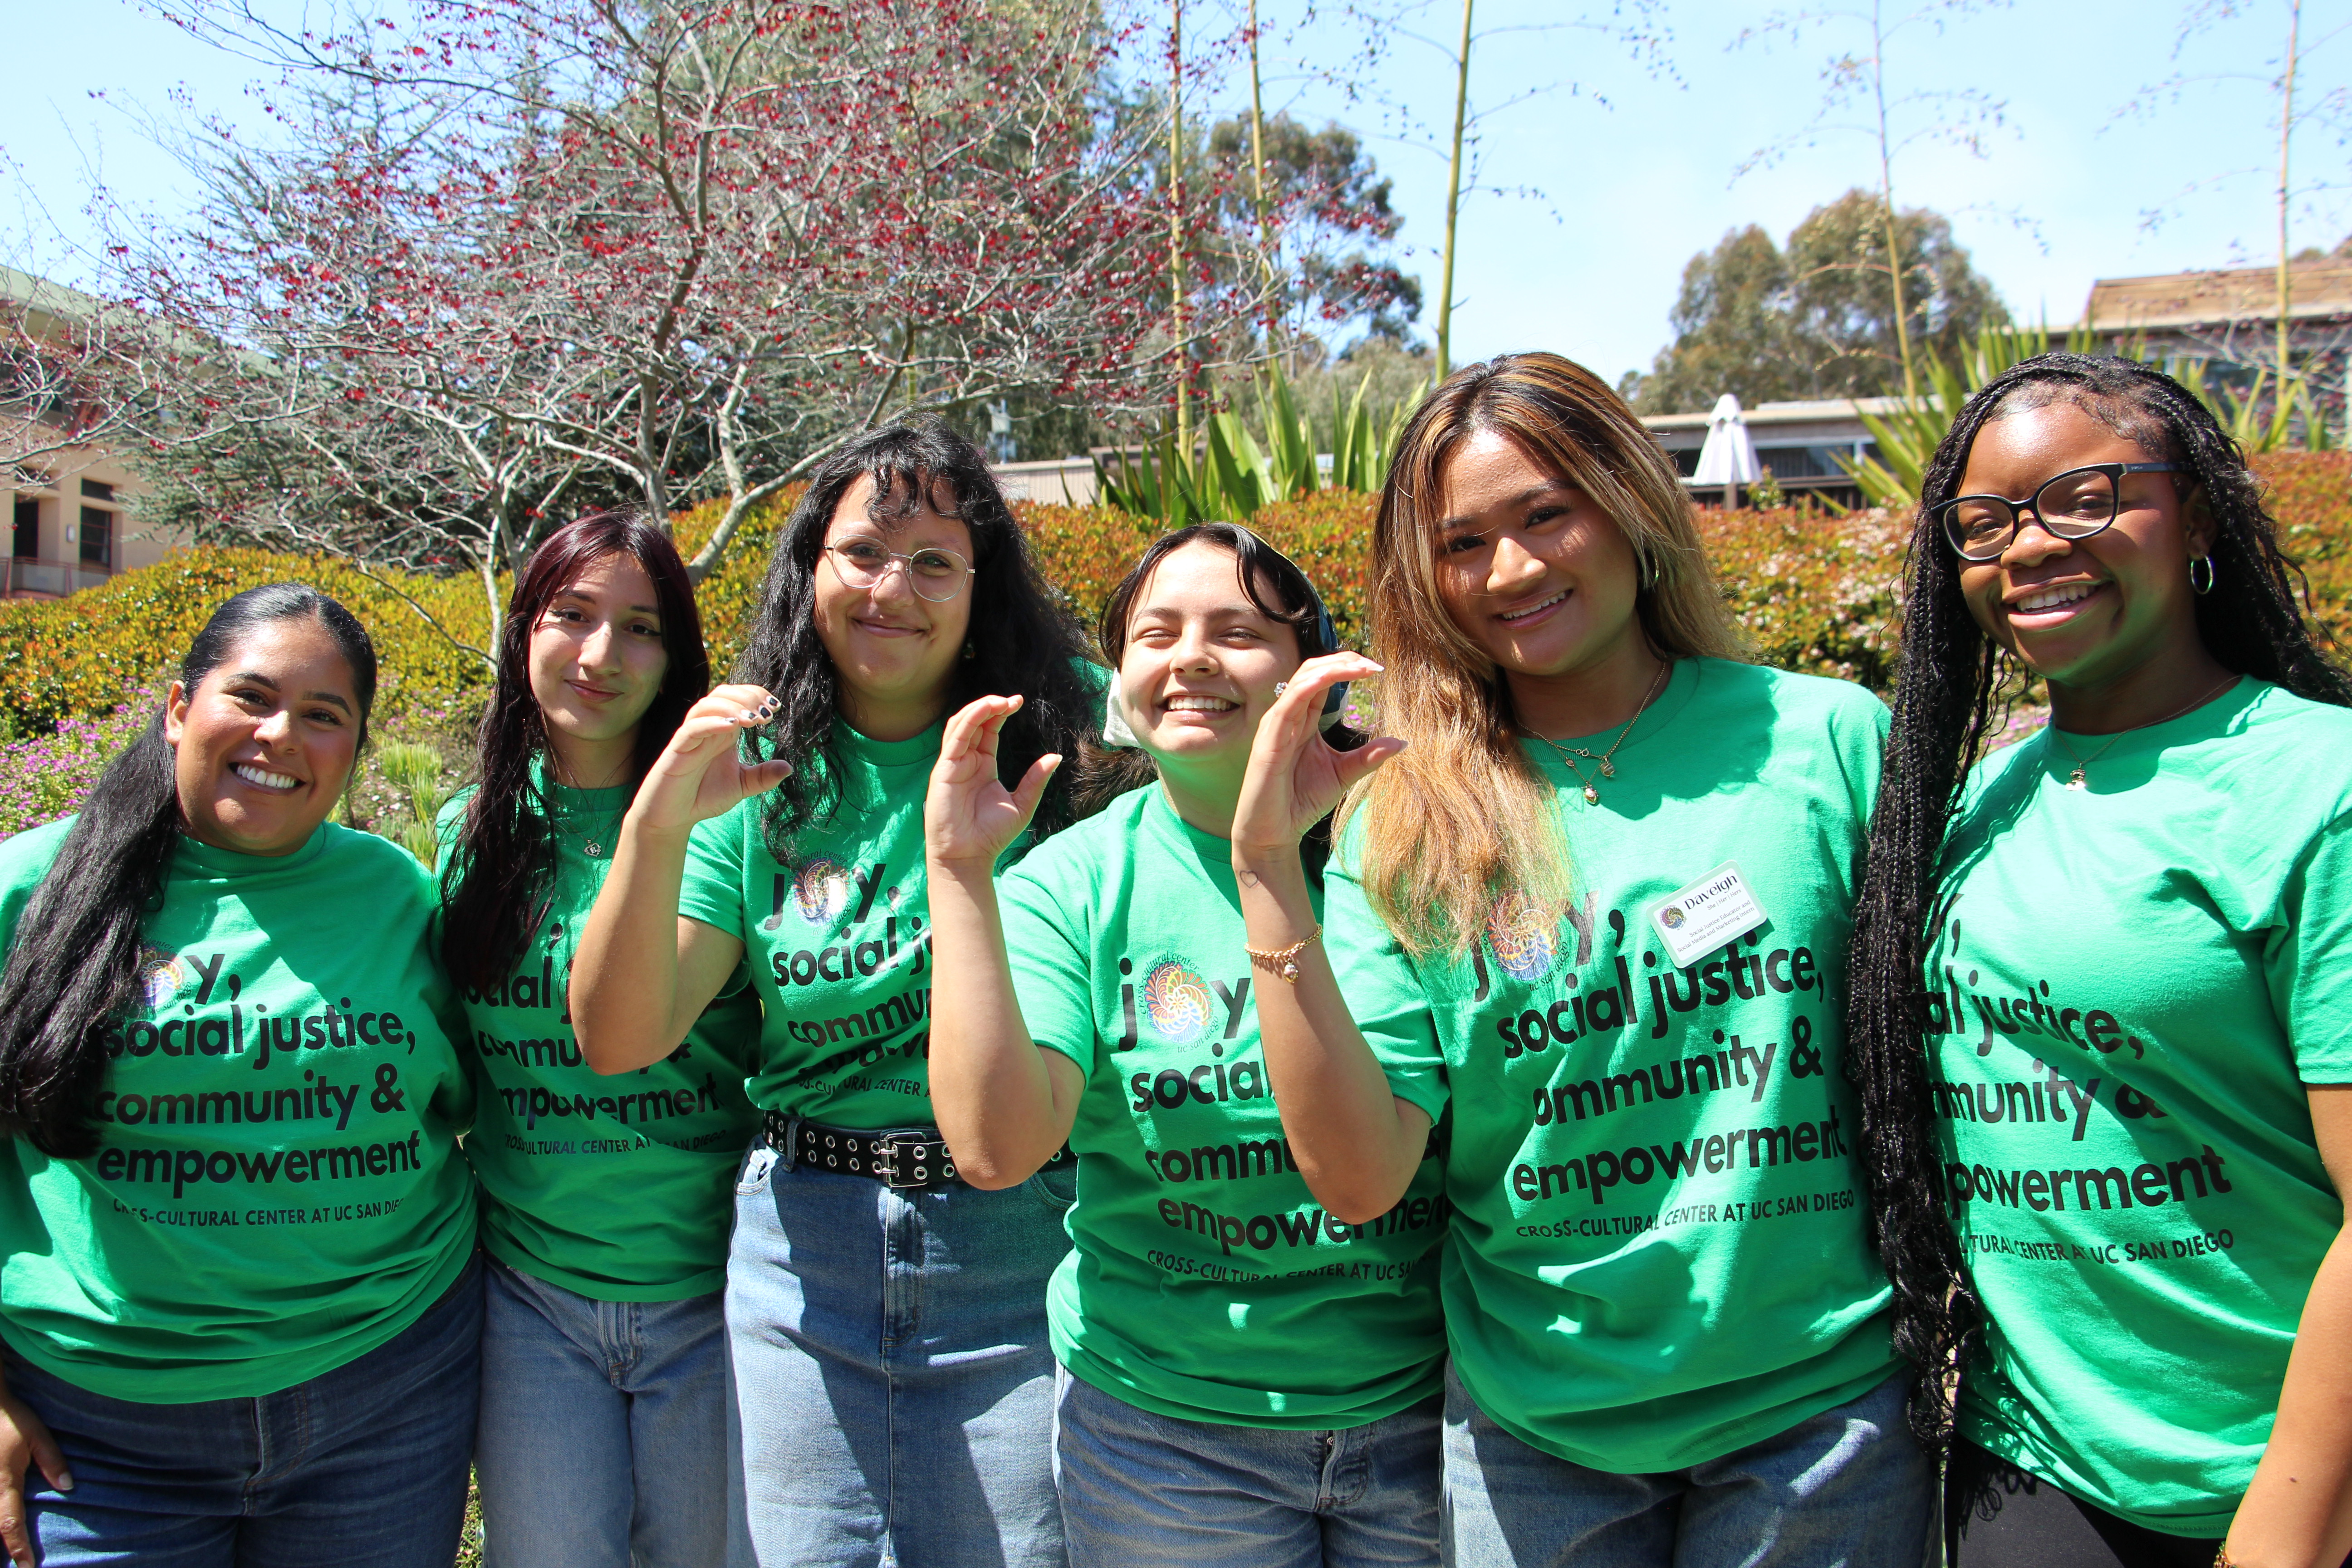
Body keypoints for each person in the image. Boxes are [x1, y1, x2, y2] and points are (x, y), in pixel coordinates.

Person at [1226, 352, 1932, 1565]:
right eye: (1460, 544)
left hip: (1821, 1422)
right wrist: (1265, 871)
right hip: (1537, 1439)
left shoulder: (1829, 741)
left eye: (1544, 514)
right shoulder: (1406, 819)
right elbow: (1356, 1178)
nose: (1509, 571)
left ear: (1630, 499)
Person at [1843, 353, 2352, 1568]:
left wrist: (2280, 1538)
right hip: (2035, 1472)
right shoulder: (1973, 806)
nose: (2027, 547)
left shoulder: (2316, 785)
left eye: (2087, 497)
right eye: (1984, 523)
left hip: (2274, 1486)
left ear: (2199, 517)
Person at [570, 416, 1098, 1568]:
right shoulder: (758, 775)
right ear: (811, 567)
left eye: (934, 562)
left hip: (1025, 1245)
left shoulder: (1069, 744)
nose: (892, 588)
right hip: (802, 1254)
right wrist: (658, 825)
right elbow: (622, 1035)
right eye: (861, 551)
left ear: (981, 587)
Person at [922, 522, 1448, 1568]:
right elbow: (997, 1149)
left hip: (1423, 1419)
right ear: (1120, 682)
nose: (1192, 656)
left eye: (1239, 631)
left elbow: (1365, 1174)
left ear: (1316, 676)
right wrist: (958, 878)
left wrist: (1267, 868)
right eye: (1155, 633)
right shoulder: (1071, 886)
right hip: (1166, 1441)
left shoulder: (1400, 858)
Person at [0, 584, 479, 1568]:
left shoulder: (397, 891)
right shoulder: (30, 891)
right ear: (180, 710)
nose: (279, 736)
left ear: (354, 750)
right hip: (97, 1438)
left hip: (386, 1400)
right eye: (250, 698)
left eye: (322, 716)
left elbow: (474, 1094)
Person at [436, 513, 762, 1568]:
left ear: (677, 658)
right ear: (524, 627)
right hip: (532, 1301)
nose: (599, 656)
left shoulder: (735, 812)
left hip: (713, 1292)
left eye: (641, 629)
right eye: (572, 616)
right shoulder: (469, 831)